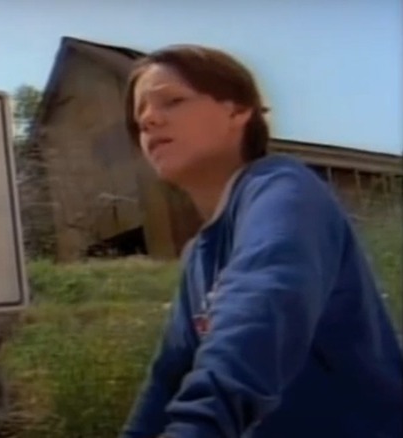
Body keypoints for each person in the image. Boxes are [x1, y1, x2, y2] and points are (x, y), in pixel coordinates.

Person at [119, 44, 403, 438]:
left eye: (172, 100)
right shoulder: (200, 255)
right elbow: (167, 379)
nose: (149, 119)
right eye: (140, 115)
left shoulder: (284, 190)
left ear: (238, 111)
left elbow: (260, 308)